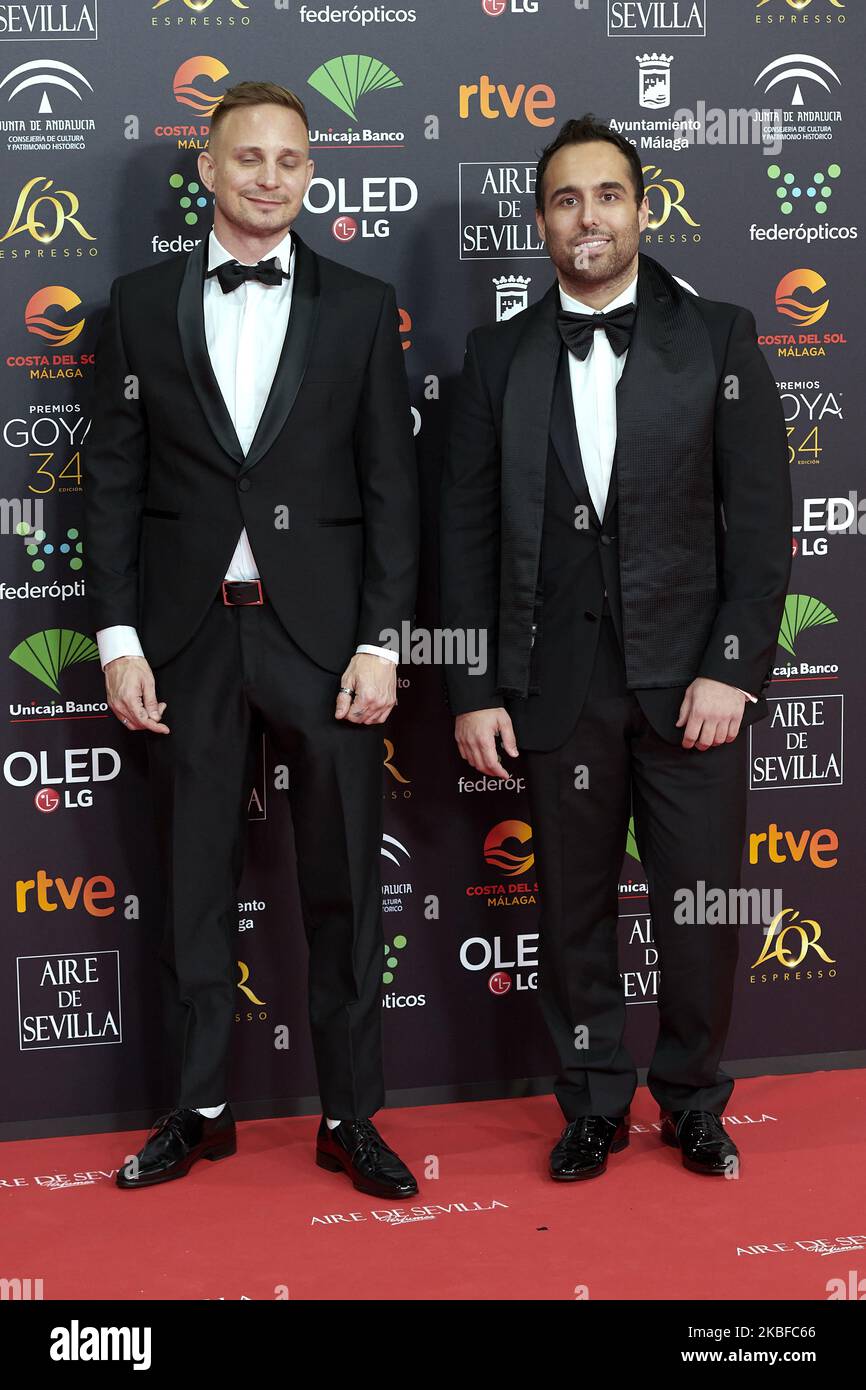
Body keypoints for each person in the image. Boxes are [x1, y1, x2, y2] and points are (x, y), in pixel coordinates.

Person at [84, 81, 420, 1198]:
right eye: (248, 158)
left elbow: (390, 488)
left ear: (309, 174)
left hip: (323, 641)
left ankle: (350, 1119)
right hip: (184, 639)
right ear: (209, 171)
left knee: (344, 890)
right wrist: (120, 633)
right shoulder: (135, 303)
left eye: (289, 159)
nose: (269, 176)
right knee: (191, 883)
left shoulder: (363, 307)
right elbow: (114, 483)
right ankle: (201, 1109)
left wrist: (382, 638)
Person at [441, 115, 791, 1181]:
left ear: (642, 208)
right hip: (552, 688)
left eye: (604, 195)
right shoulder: (494, 356)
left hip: (687, 683)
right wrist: (471, 683)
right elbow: (460, 531)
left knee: (696, 909)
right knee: (571, 907)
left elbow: (760, 519)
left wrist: (731, 666)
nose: (584, 217)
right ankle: (590, 1099)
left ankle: (690, 1096)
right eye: (562, 199)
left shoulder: (716, 337)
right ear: (540, 220)